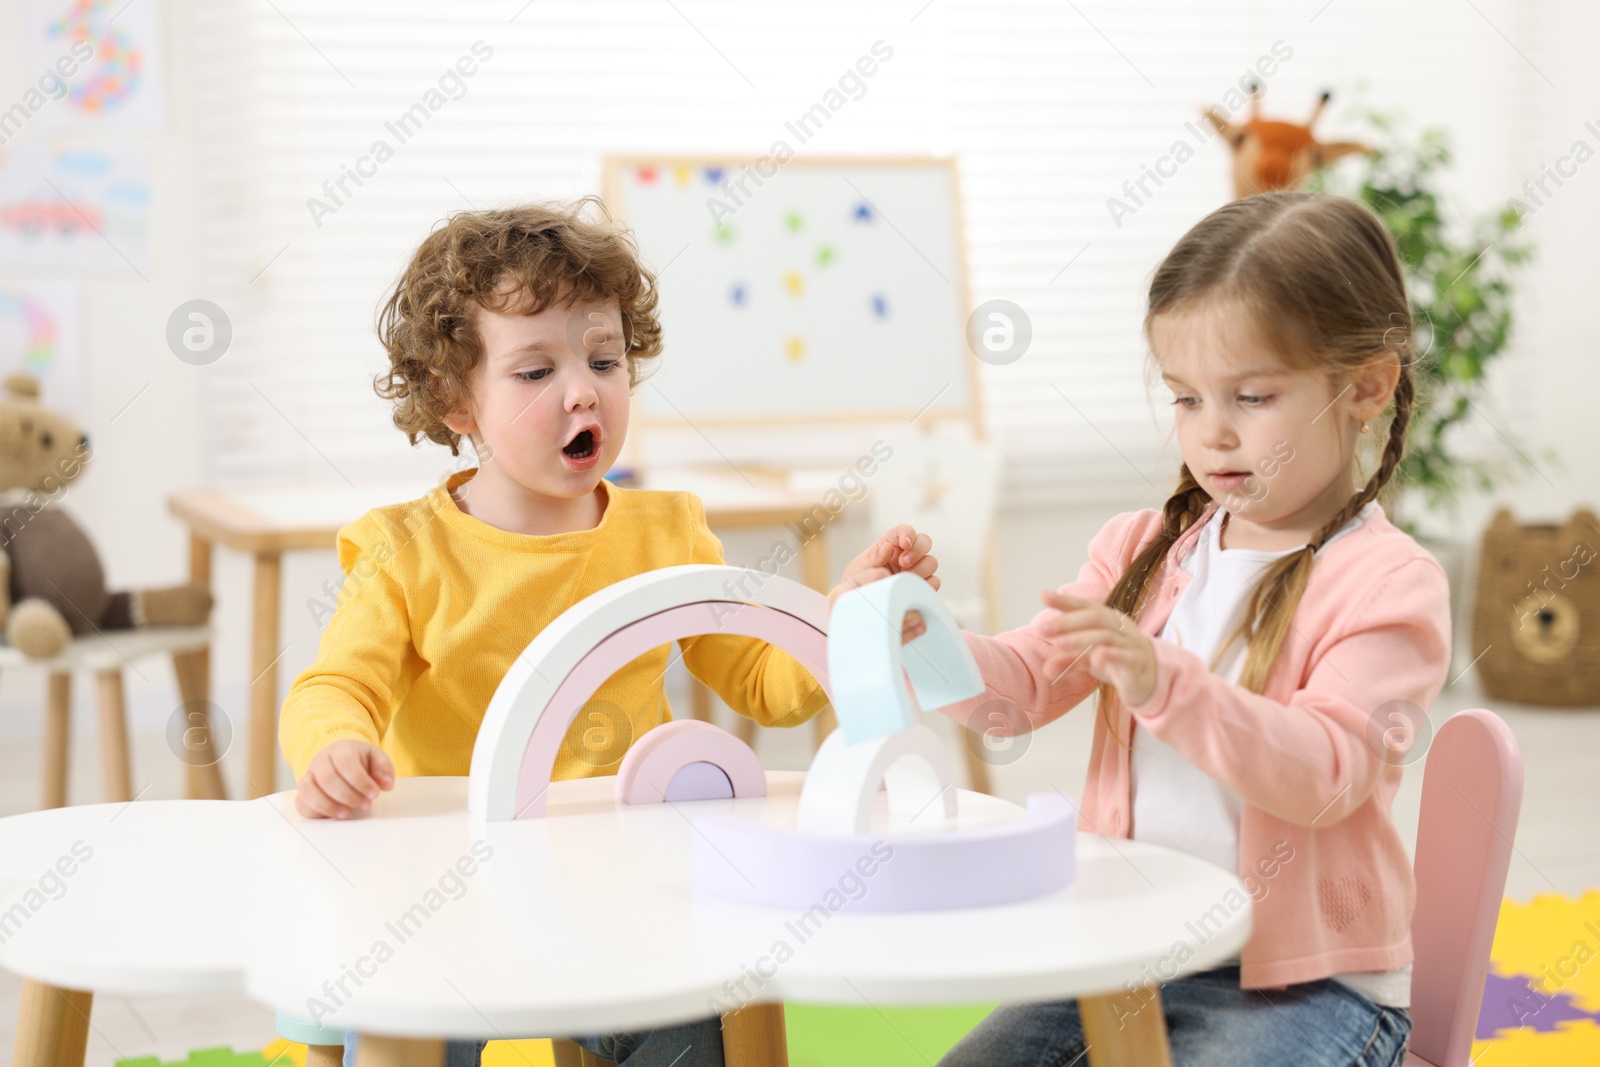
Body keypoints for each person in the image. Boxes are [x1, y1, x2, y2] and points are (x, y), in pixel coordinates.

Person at [279, 198, 937, 1067]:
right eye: (533, 371)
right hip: (453, 884)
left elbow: (762, 682)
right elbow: (337, 686)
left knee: (701, 1014)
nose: (583, 389)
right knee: (400, 1020)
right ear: (452, 399)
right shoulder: (403, 549)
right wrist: (334, 747)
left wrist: (846, 622)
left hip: (635, 879)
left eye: (603, 359)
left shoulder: (667, 531)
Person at [937, 191, 1447, 1067]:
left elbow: (1326, 775)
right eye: (1184, 398)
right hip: (1134, 952)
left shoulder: (1388, 583)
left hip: (1309, 986)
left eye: (1251, 396)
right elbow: (1015, 693)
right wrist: (910, 632)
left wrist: (1165, 682)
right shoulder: (1142, 548)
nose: (1212, 433)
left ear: (1365, 386)